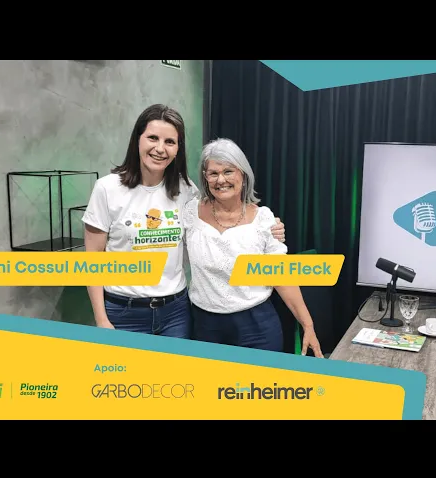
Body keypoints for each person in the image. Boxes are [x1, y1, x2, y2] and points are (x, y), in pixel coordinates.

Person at [82, 104, 286, 338]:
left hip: (175, 314)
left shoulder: (187, 190)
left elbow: (217, 226)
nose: (160, 148)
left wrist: (267, 226)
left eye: (170, 141)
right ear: (137, 139)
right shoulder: (107, 188)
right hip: (123, 312)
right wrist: (101, 319)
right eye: (152, 138)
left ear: (178, 148)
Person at [182, 137, 324, 357]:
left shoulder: (264, 219)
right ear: (205, 177)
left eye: (228, 171)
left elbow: (281, 277)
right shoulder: (190, 212)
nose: (221, 180)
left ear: (243, 174)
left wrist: (307, 324)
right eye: (213, 173)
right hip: (205, 326)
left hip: (256, 327)